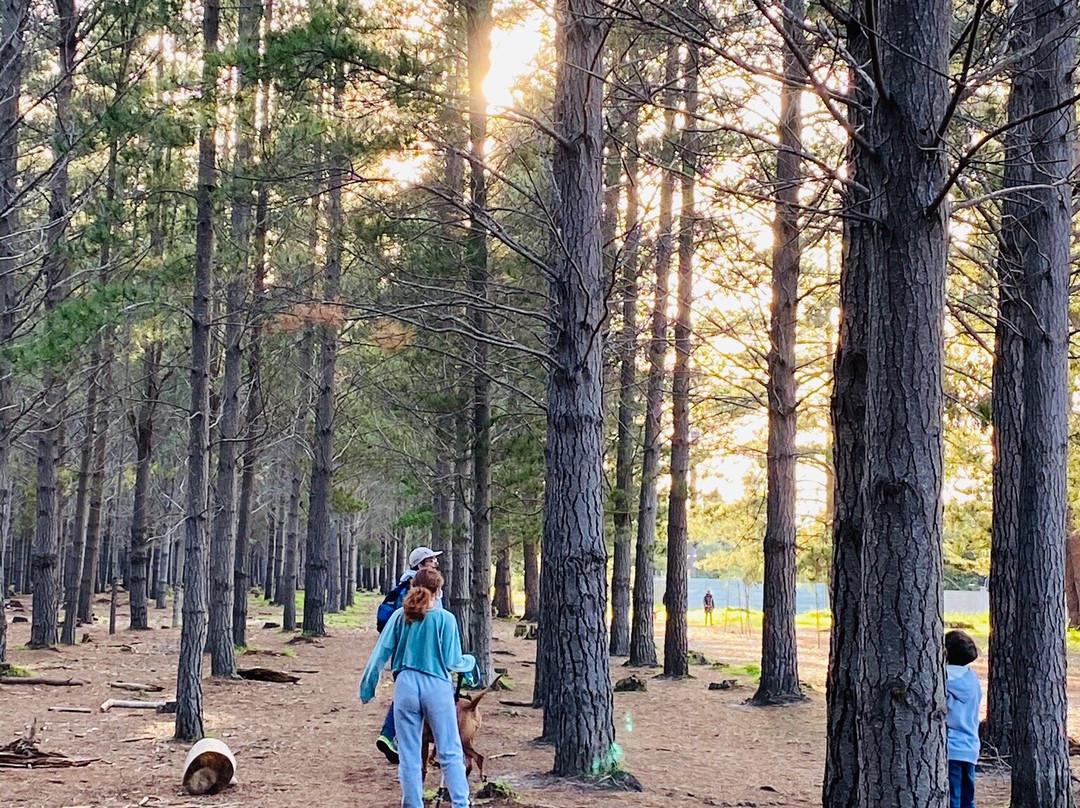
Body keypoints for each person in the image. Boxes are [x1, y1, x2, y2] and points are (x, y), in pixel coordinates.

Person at [359, 568, 476, 808]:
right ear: (439, 591)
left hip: (406, 686)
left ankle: (412, 804)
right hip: (437, 686)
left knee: (410, 754)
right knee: (450, 750)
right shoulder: (445, 619)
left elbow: (379, 655)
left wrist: (367, 688)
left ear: (413, 587)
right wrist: (471, 663)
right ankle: (460, 804)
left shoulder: (400, 616)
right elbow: (454, 661)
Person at [376, 547, 443, 764]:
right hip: (422, 659)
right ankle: (398, 739)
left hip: (404, 660)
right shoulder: (421, 588)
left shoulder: (407, 585)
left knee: (407, 698)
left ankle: (393, 738)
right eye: (432, 560)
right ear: (420, 565)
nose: (436, 563)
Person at [945, 629, 981, 808]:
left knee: (953, 799)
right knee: (968, 800)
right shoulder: (972, 678)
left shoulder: (941, 678)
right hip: (971, 747)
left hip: (950, 748)